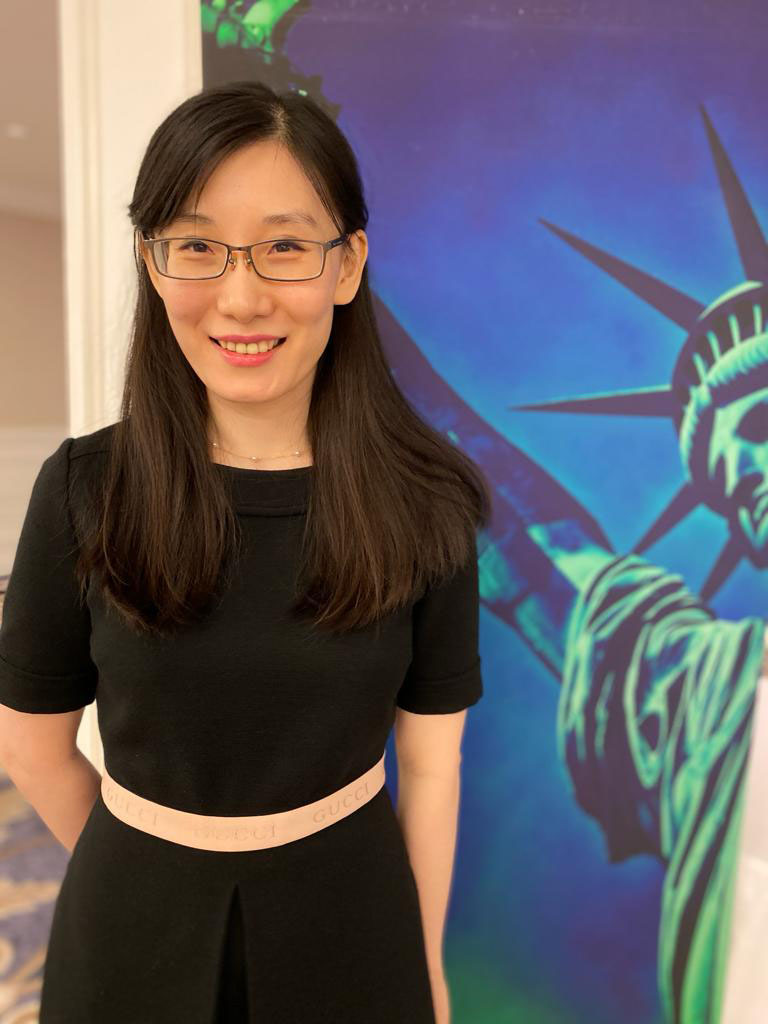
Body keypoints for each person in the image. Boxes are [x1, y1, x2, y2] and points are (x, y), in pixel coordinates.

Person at [0, 80, 490, 1022]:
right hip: (126, 937)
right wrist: (143, 867)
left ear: (347, 265)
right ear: (152, 263)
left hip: (357, 926)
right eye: (196, 246)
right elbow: (30, 746)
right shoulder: (82, 489)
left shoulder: (428, 502)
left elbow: (432, 766)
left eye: (285, 246)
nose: (240, 296)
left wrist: (427, 968)